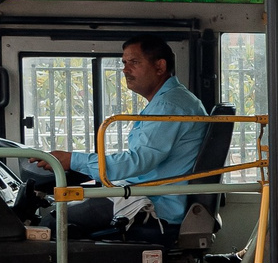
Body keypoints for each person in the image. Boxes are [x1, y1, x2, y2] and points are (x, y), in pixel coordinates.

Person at [67, 34, 206, 244]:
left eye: (134, 62)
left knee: (56, 220)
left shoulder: (169, 106)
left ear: (160, 67)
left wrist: (72, 160)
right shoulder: (169, 101)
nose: (125, 69)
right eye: (124, 63)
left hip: (159, 205)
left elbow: (138, 161)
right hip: (154, 194)